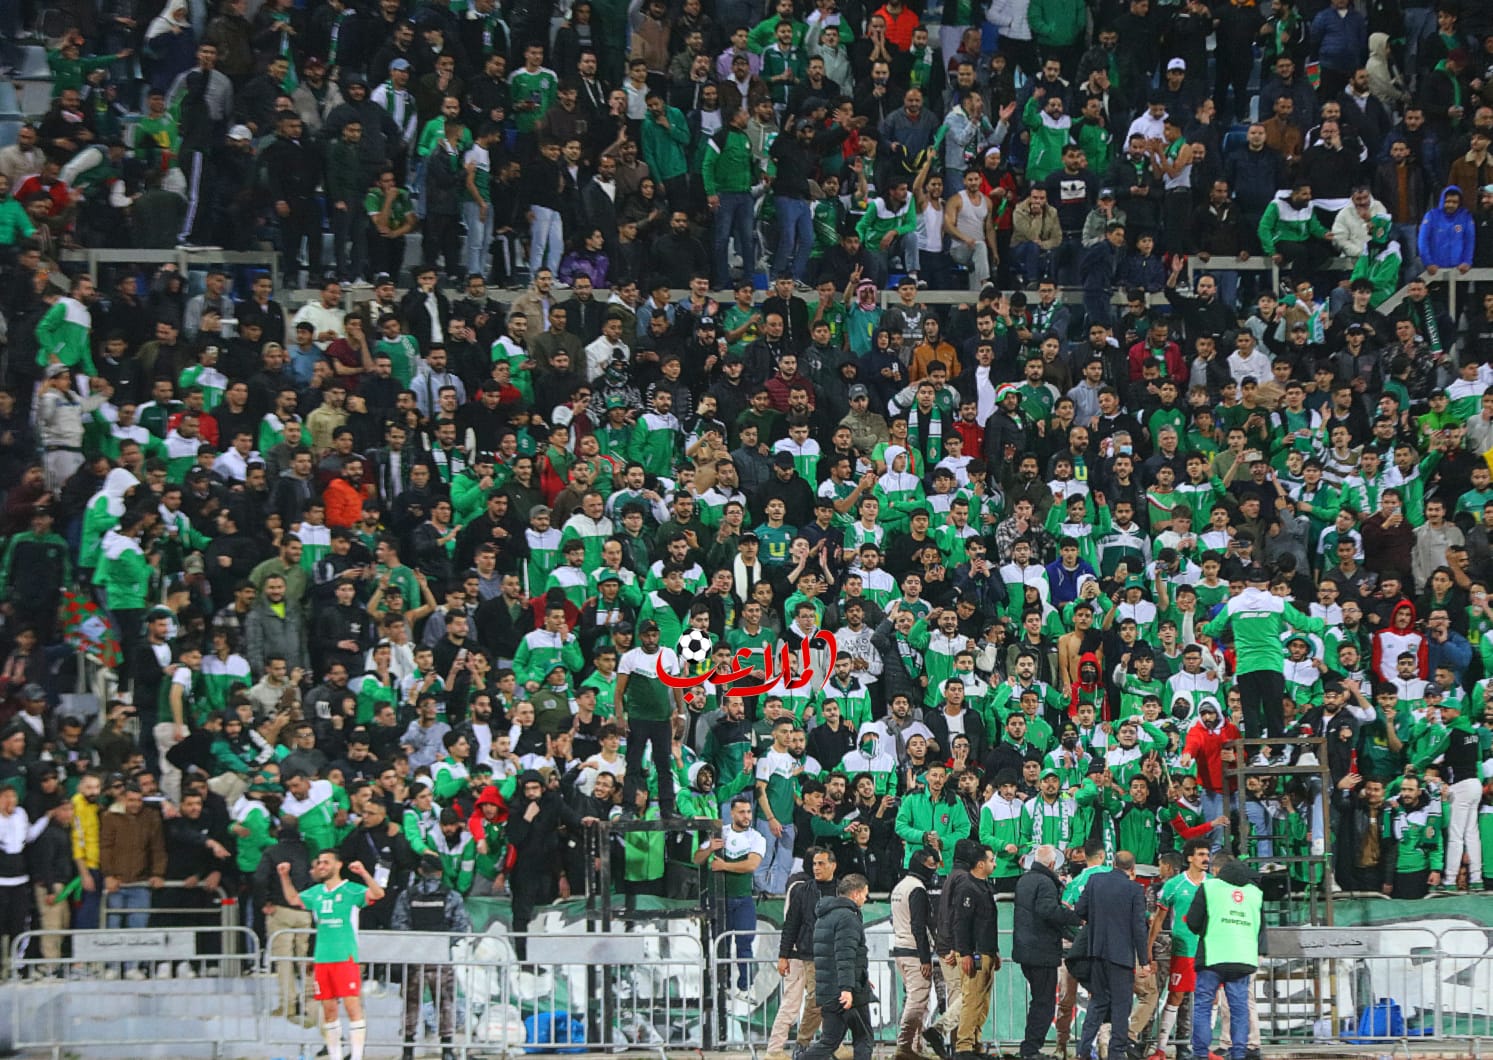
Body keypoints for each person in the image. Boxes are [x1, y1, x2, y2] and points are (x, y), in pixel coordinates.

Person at [276, 848, 386, 1060]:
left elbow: (378, 894)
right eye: (319, 863)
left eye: (326, 862)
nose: (321, 866)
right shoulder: (316, 892)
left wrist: (363, 873)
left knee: (352, 1007)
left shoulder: (351, 890)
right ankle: (335, 1056)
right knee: (329, 1011)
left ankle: (356, 1057)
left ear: (338, 865)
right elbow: (293, 899)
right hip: (322, 959)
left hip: (345, 957)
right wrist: (284, 876)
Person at [1184, 853, 1266, 1060]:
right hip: (1243, 958)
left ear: (1217, 870)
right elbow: (1259, 927)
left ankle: (1200, 1054)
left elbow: (1193, 921)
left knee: (1203, 1006)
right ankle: (1238, 1054)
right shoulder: (1255, 893)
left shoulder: (1209, 887)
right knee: (1239, 1009)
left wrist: (1207, 929)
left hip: (1213, 956)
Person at [391, 852, 472, 1060]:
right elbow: (460, 926)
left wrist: (416, 944)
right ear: (440, 872)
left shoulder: (407, 895)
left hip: (415, 959)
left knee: (411, 1005)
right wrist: (442, 943)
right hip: (440, 958)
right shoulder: (451, 895)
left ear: (420, 871)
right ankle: (447, 1050)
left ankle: (407, 1051)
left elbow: (399, 925)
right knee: (445, 1004)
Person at [1074, 850, 1150, 1060]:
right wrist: (1144, 961)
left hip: (1096, 953)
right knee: (1121, 1007)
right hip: (1121, 958)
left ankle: (1083, 1051)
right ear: (1132, 869)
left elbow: (1079, 910)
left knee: (1097, 1003)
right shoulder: (1135, 889)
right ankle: (1116, 1053)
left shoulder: (1095, 881)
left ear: (1113, 863)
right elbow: (1139, 927)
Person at [1012, 843, 1081, 1060]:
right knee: (1044, 1003)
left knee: (1038, 1001)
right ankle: (1031, 1049)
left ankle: (1030, 1048)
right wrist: (1076, 917)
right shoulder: (1045, 883)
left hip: (1025, 950)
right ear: (1052, 864)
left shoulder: (1024, 881)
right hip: (1041, 952)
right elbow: (1048, 911)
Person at [770, 845, 838, 1060]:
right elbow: (791, 923)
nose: (816, 867)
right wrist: (784, 954)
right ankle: (778, 1049)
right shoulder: (801, 888)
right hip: (802, 954)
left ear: (832, 866)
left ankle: (828, 1045)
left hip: (820, 954)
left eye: (820, 863)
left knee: (824, 1002)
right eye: (814, 863)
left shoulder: (838, 889)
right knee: (802, 1002)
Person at [799, 873, 875, 1060]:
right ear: (856, 894)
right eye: (865, 894)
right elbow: (844, 955)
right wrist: (847, 988)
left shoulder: (825, 916)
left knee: (829, 1041)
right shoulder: (848, 918)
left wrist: (861, 976)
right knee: (863, 1038)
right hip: (847, 991)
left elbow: (833, 956)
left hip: (831, 989)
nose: (865, 899)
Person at [949, 841, 1000, 1060]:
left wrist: (995, 951)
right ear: (980, 864)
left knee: (982, 1002)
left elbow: (987, 924)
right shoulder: (967, 888)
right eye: (991, 860)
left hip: (986, 951)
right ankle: (963, 1047)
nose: (994, 864)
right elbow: (961, 923)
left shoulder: (984, 886)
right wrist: (965, 953)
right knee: (971, 1000)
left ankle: (976, 1043)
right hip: (975, 953)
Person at [890, 846, 941, 1060]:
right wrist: (925, 958)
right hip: (914, 953)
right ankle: (904, 1046)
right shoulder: (917, 889)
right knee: (917, 1002)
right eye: (931, 864)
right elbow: (918, 926)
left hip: (901, 950)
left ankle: (915, 1046)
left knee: (920, 1001)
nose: (934, 869)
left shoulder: (900, 887)